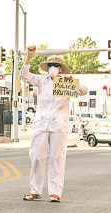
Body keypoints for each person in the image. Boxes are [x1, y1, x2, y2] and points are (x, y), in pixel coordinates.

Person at [20, 46, 88, 202]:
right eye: (50, 65)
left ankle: (55, 192)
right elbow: (24, 76)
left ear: (61, 69)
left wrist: (69, 81)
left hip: (59, 125)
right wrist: (29, 57)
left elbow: (84, 90)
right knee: (37, 156)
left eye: (56, 66)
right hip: (41, 124)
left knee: (56, 157)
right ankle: (35, 190)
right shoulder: (42, 80)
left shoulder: (66, 82)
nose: (53, 68)